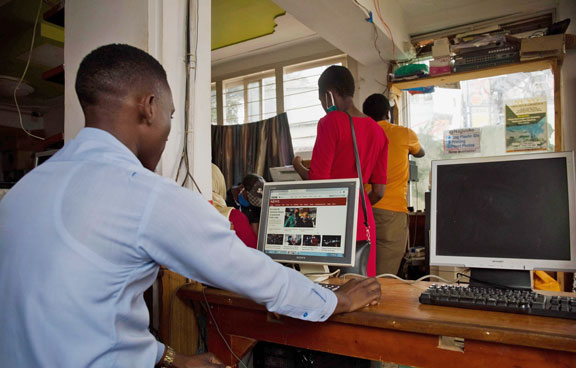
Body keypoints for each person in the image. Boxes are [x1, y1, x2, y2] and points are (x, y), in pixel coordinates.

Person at [0, 44, 381, 368]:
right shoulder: (144, 195)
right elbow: (251, 272)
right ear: (148, 107)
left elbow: (87, 317)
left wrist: (173, 360)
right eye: (170, 116)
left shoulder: (24, 189)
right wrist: (334, 300)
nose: (168, 133)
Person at [293, 65, 388, 277]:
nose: (322, 106)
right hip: (364, 220)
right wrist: (356, 205)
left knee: (332, 290)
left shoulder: (330, 122)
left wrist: (297, 165)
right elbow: (379, 191)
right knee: (363, 289)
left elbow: (318, 183)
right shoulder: (378, 131)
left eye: (321, 100)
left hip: (333, 222)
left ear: (329, 94)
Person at [362, 93, 425, 275]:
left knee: (364, 271)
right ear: (388, 114)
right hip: (391, 213)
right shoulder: (403, 133)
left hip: (365, 209)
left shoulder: (361, 136)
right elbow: (420, 152)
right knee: (385, 277)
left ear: (367, 116)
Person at [212, 163, 258, 248]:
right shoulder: (233, 215)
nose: (250, 201)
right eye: (248, 197)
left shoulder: (188, 212)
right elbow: (254, 250)